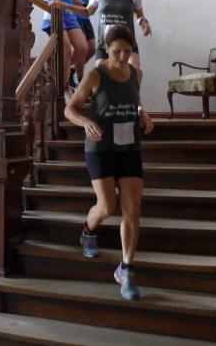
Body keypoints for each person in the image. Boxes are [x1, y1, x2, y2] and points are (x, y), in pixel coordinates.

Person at [64, 24, 154, 301]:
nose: (123, 57)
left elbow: (135, 101)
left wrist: (143, 114)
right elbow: (70, 109)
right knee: (107, 206)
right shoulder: (95, 75)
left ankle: (126, 269)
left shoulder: (136, 74)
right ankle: (88, 232)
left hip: (129, 147)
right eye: (117, 52)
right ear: (106, 48)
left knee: (132, 209)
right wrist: (85, 122)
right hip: (101, 147)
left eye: (127, 51)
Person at [37, 0, 89, 94]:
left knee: (82, 47)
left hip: (69, 14)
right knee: (66, 49)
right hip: (54, 13)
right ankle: (65, 87)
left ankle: (59, 69)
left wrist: (83, 4)